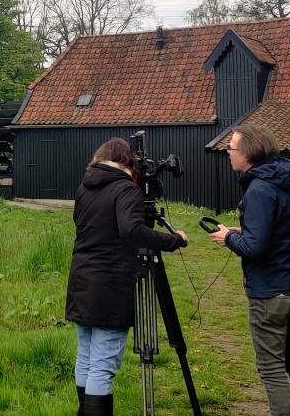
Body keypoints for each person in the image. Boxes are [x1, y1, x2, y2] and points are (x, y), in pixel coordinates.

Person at [66, 138, 187, 416]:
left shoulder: (84, 188)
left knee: (85, 355)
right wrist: (173, 240)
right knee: (102, 364)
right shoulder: (125, 189)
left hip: (82, 280)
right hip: (110, 283)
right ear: (127, 163)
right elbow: (131, 230)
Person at [209, 123, 290, 416]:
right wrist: (243, 231)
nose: (228, 154)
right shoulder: (288, 182)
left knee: (271, 368)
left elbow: (255, 248)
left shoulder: (258, 188)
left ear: (248, 153)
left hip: (270, 294)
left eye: (231, 148)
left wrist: (229, 237)